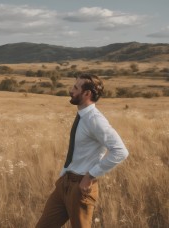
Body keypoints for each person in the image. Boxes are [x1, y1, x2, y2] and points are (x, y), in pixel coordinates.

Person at [36, 74, 129, 228]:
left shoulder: (95, 120)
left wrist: (90, 176)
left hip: (81, 187)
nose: (71, 90)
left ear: (87, 94)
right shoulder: (82, 115)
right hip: (65, 184)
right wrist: (63, 175)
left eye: (75, 88)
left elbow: (121, 151)